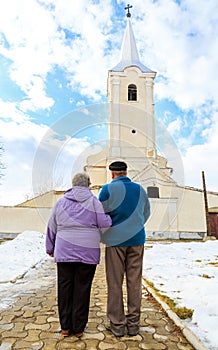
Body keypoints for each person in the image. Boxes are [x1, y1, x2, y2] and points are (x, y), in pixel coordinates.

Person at [46, 172, 112, 338]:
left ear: (73, 184)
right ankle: (79, 328)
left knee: (64, 288)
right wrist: (109, 220)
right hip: (87, 251)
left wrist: (50, 248)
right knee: (82, 289)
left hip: (64, 251)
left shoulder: (60, 203)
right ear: (88, 184)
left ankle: (66, 328)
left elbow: (51, 227)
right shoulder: (94, 202)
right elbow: (104, 225)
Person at [99, 161, 150, 337]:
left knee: (115, 283)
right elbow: (146, 213)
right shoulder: (139, 189)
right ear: (126, 172)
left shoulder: (107, 189)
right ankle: (134, 326)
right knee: (134, 282)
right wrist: (134, 226)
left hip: (115, 242)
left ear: (112, 174)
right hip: (137, 240)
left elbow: (101, 215)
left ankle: (117, 325)